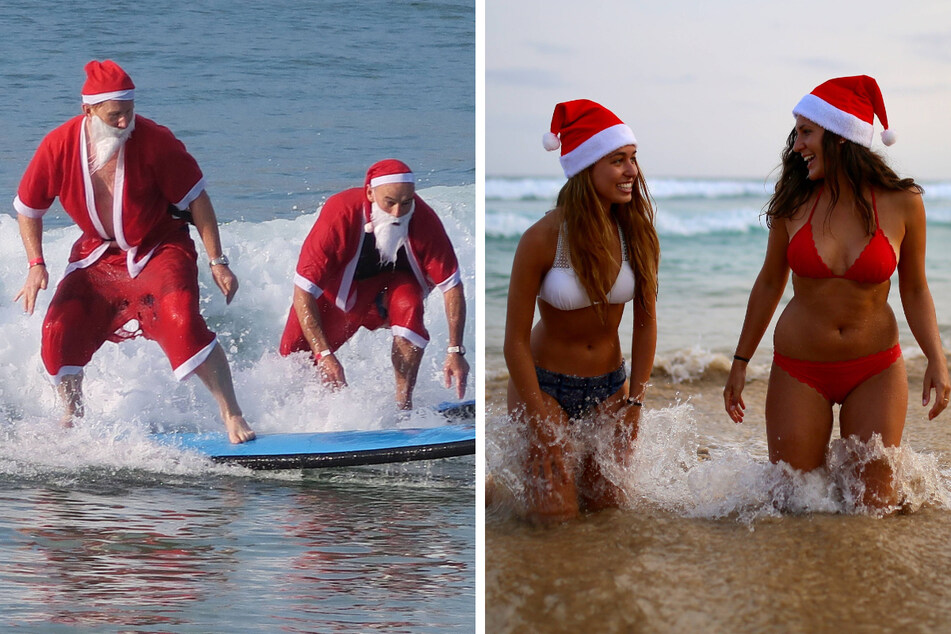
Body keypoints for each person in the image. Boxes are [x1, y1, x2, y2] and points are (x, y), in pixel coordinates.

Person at [724, 75, 950, 508]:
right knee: (793, 505)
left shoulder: (904, 202)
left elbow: (916, 289)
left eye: (807, 132)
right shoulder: (792, 200)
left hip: (875, 371)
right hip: (799, 371)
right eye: (797, 134)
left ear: (841, 136)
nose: (796, 146)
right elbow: (770, 282)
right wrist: (740, 361)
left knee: (873, 510)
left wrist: (937, 360)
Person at [13, 60, 255, 444]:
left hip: (160, 245)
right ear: (88, 111)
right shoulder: (58, 145)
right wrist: (36, 264)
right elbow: (27, 209)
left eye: (129, 112)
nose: (125, 123)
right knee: (58, 329)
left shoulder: (157, 141)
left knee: (181, 321)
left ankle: (232, 413)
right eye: (115, 116)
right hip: (98, 254)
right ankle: (73, 414)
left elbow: (198, 201)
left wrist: (217, 261)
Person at [503, 100, 660, 524]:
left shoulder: (637, 234)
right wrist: (539, 419)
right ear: (586, 166)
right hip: (544, 387)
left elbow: (645, 325)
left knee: (608, 512)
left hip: (610, 388)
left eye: (632, 159)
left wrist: (635, 402)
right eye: (617, 160)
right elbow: (514, 341)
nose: (631, 171)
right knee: (557, 519)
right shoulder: (542, 238)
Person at [279, 159, 469, 410]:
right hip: (337, 295)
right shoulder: (340, 212)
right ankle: (296, 413)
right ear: (370, 193)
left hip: (390, 294)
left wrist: (455, 350)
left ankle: (404, 408)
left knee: (410, 304)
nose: (398, 213)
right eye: (389, 203)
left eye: (406, 203)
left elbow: (452, 286)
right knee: (293, 361)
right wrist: (323, 354)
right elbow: (303, 291)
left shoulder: (423, 219)